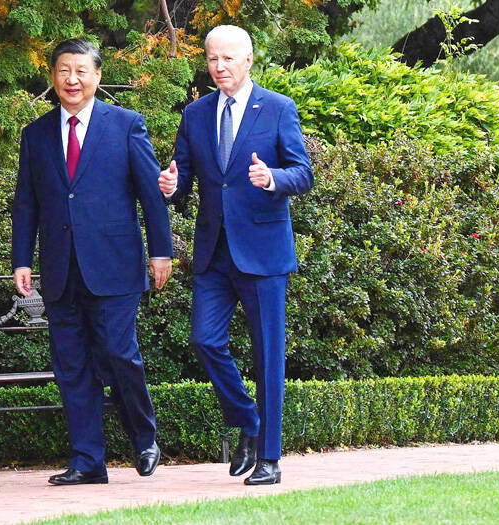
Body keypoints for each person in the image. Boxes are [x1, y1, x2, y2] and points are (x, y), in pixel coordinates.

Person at [12, 38, 173, 485]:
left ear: (97, 76)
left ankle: (144, 438)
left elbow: (151, 194)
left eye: (81, 71)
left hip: (115, 265)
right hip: (61, 268)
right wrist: (22, 259)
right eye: (64, 70)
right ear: (53, 76)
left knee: (119, 353)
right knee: (72, 365)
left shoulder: (125, 125)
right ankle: (87, 462)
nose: (72, 79)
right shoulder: (36, 134)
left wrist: (161, 251)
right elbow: (26, 203)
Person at [158, 25, 313, 485]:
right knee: (204, 340)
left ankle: (270, 460)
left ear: (248, 60)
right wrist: (171, 186)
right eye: (212, 59)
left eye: (228, 58)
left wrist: (273, 179)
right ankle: (248, 419)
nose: (219, 66)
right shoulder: (195, 114)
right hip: (214, 253)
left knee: (268, 356)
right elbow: (184, 178)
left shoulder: (278, 107)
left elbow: (302, 172)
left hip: (263, 252)